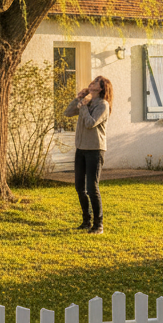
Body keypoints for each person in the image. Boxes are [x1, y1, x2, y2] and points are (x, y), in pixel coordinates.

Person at [64, 75, 113, 234]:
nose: (91, 83)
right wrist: (78, 98)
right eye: (91, 81)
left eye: (95, 83)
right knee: (79, 186)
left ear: (101, 88)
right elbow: (68, 113)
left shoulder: (103, 105)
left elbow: (91, 123)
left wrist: (84, 106)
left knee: (92, 187)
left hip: (95, 149)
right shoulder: (87, 101)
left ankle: (98, 225)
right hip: (81, 148)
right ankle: (86, 221)